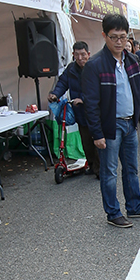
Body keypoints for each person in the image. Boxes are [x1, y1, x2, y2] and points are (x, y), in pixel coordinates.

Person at [82, 12, 140, 228]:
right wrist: (97, 134)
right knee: (109, 172)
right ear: (104, 36)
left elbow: (139, 94)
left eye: (123, 37)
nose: (119, 42)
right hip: (110, 126)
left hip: (130, 123)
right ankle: (113, 212)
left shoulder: (132, 60)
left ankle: (134, 206)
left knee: (131, 168)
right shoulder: (95, 65)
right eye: (114, 37)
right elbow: (91, 103)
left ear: (128, 38)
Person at [48, 40, 99, 177]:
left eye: (83, 54)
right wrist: (55, 94)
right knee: (86, 141)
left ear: (88, 54)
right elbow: (63, 82)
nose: (80, 58)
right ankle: (92, 165)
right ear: (73, 55)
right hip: (80, 112)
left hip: (95, 111)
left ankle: (100, 170)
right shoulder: (71, 69)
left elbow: (97, 88)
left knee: (97, 140)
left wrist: (83, 99)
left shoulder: (94, 67)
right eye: (77, 55)